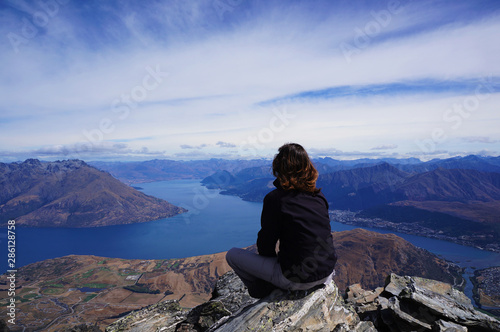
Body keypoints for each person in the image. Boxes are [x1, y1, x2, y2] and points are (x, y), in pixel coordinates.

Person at [226, 143, 337, 298]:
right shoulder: (318, 197)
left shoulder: (275, 199)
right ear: (308, 167)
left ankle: (264, 291)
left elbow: (266, 244)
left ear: (279, 168)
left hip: (295, 279)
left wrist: (276, 266)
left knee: (232, 255)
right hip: (326, 273)